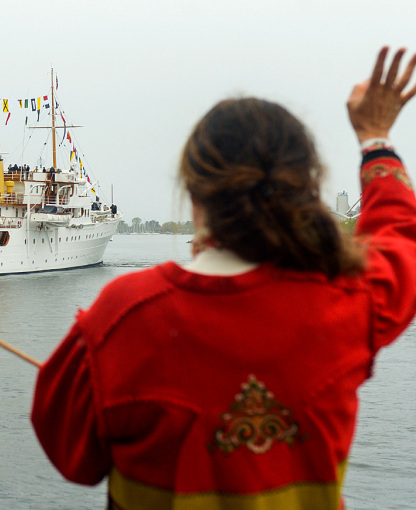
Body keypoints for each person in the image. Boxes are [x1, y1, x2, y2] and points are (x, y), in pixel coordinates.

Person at [31, 47, 416, 510]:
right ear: (305, 191)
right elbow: (400, 238)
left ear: (194, 194)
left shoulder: (122, 317)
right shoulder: (346, 303)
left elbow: (71, 457)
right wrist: (376, 138)